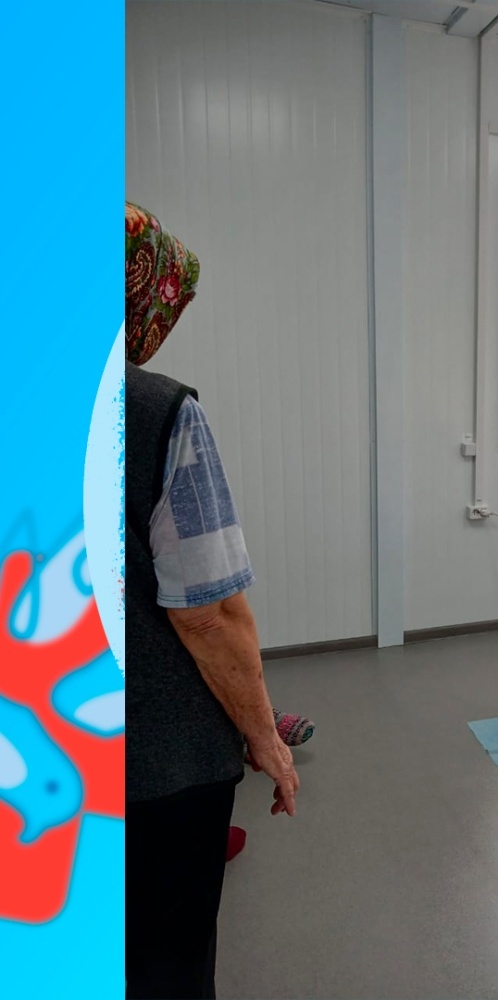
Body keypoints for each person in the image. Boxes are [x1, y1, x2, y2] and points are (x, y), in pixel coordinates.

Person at [125, 201, 301, 999]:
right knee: (165, 960)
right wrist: (264, 737)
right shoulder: (157, 411)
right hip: (155, 763)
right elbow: (208, 612)